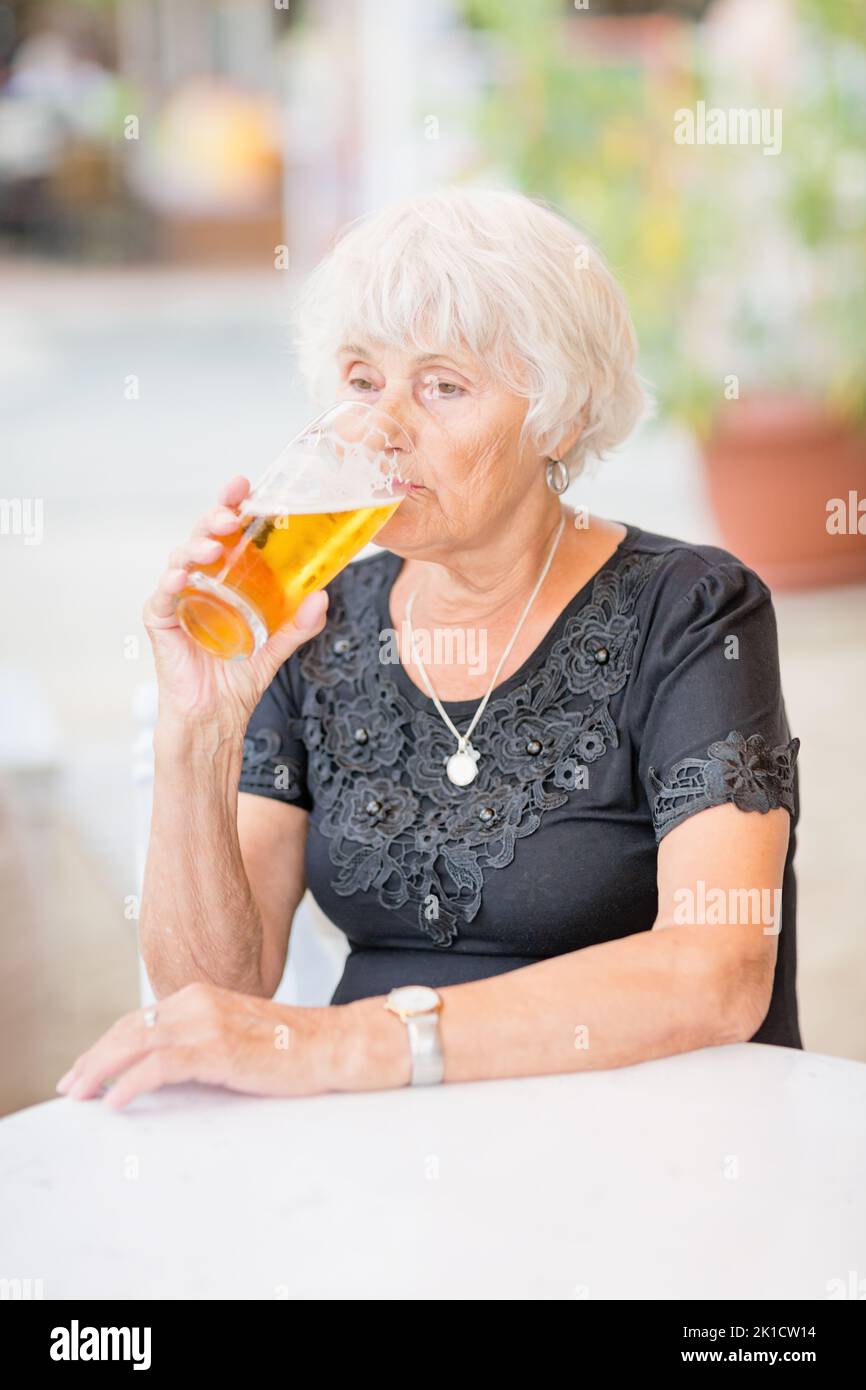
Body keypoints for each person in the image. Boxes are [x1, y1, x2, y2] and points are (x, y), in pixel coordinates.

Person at [56, 188, 800, 1109]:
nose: (381, 428)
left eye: (442, 386)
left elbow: (718, 973)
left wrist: (340, 1044)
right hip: (378, 1166)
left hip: (649, 1153)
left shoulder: (692, 613)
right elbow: (218, 989)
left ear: (559, 422)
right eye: (364, 382)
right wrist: (198, 729)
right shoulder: (313, 623)